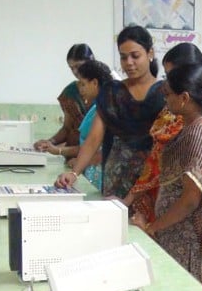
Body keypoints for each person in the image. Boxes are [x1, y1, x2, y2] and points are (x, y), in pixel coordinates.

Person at [130, 63, 202, 290]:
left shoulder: (199, 134)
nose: (165, 100)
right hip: (176, 234)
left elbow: (191, 200)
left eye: (168, 95)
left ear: (184, 98)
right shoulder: (190, 128)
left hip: (188, 239)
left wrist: (153, 227)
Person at [55, 26, 165, 219]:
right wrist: (74, 174)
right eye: (123, 57)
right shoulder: (112, 92)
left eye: (135, 56)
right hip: (115, 178)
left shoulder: (165, 93)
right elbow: (94, 138)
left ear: (150, 53)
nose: (129, 63)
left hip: (151, 180)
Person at [127, 43, 202, 221]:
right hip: (172, 209)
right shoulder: (174, 110)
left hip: (191, 216)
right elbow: (156, 159)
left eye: (172, 75)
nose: (167, 84)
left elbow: (194, 196)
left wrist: (152, 227)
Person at [42, 60, 113, 191]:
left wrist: (60, 152)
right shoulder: (97, 107)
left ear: (95, 83)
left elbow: (100, 147)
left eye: (82, 84)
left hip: (97, 174)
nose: (80, 89)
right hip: (86, 169)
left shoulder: (105, 109)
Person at [34, 44, 94, 153]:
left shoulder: (107, 92)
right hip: (72, 156)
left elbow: (100, 144)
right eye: (71, 68)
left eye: (78, 66)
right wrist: (49, 143)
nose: (75, 71)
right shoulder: (70, 92)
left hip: (95, 159)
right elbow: (67, 129)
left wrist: (59, 151)